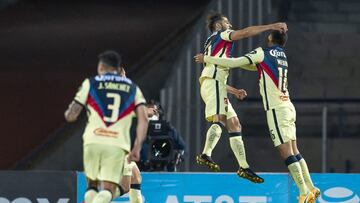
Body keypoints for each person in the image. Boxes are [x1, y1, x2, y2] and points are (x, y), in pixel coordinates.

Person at [194, 31, 320, 203]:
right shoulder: (282, 55)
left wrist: (208, 59)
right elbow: (251, 65)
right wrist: (241, 63)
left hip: (276, 109)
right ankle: (311, 187)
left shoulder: (263, 52)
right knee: (295, 151)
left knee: (286, 153)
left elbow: (236, 62)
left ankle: (304, 192)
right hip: (288, 107)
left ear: (270, 38)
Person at [195, 12, 287, 183]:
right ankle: (206, 154)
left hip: (215, 84)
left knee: (235, 124)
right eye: (226, 22)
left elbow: (216, 74)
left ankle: (244, 167)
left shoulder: (212, 43)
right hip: (213, 83)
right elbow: (244, 33)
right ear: (217, 26)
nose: (229, 24)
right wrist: (271, 26)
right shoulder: (222, 35)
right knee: (219, 119)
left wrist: (234, 91)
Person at [64, 50, 148, 203]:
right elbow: (144, 118)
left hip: (93, 141)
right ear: (119, 71)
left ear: (101, 67)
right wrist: (137, 147)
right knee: (109, 191)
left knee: (132, 177)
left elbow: (71, 115)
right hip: (116, 144)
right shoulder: (132, 89)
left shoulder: (91, 83)